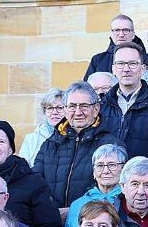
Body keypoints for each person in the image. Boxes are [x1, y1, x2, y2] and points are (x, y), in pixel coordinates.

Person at [32, 82, 125, 217]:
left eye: (84, 106)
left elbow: (112, 187)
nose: (78, 112)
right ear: (65, 109)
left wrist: (75, 210)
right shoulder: (50, 144)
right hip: (52, 218)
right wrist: (52, 210)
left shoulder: (111, 145)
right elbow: (37, 182)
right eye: (72, 106)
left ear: (96, 108)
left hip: (92, 220)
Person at [100, 42, 148, 163]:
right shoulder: (101, 106)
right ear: (113, 69)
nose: (126, 69)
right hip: (107, 177)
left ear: (143, 69)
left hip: (144, 179)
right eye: (120, 64)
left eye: (132, 64)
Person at [63, 143, 127, 227]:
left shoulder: (129, 201)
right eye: (100, 165)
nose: (106, 171)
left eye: (112, 165)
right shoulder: (77, 205)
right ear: (93, 172)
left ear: (123, 169)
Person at [18, 90, 68, 168]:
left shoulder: (73, 136)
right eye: (50, 108)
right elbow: (23, 169)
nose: (54, 112)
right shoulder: (31, 139)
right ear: (44, 111)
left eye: (60, 108)